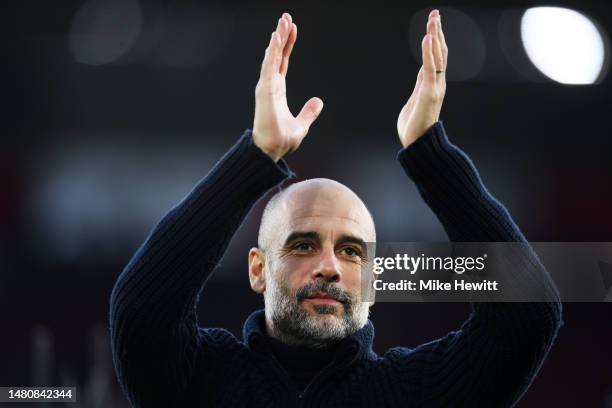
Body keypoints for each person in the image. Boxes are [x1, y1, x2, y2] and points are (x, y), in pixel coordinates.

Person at [110, 10, 562, 407]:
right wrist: (256, 158)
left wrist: (431, 155)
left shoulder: (413, 392)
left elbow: (527, 315)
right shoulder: (200, 381)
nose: (329, 266)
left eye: (352, 252)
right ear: (258, 269)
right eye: (303, 244)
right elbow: (143, 311)